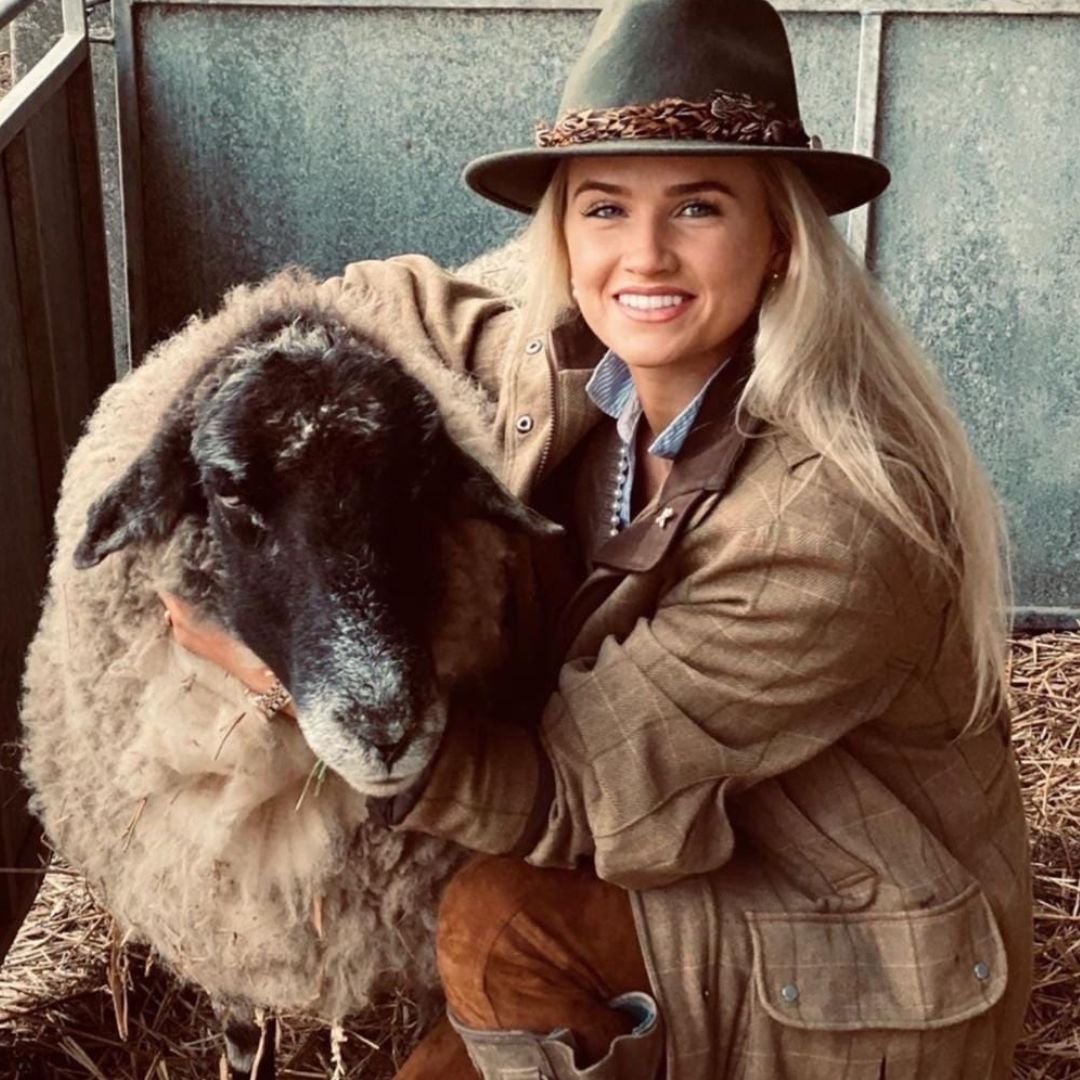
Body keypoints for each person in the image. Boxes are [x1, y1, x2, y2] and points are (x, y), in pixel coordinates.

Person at [162, 0, 1034, 1076]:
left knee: (496, 923)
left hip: (848, 949)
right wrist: (212, 396)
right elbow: (394, 302)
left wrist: (297, 675)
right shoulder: (572, 352)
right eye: (605, 209)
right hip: (696, 857)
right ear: (563, 235)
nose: (645, 256)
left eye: (700, 207)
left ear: (778, 241)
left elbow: (574, 795)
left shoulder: (841, 518)